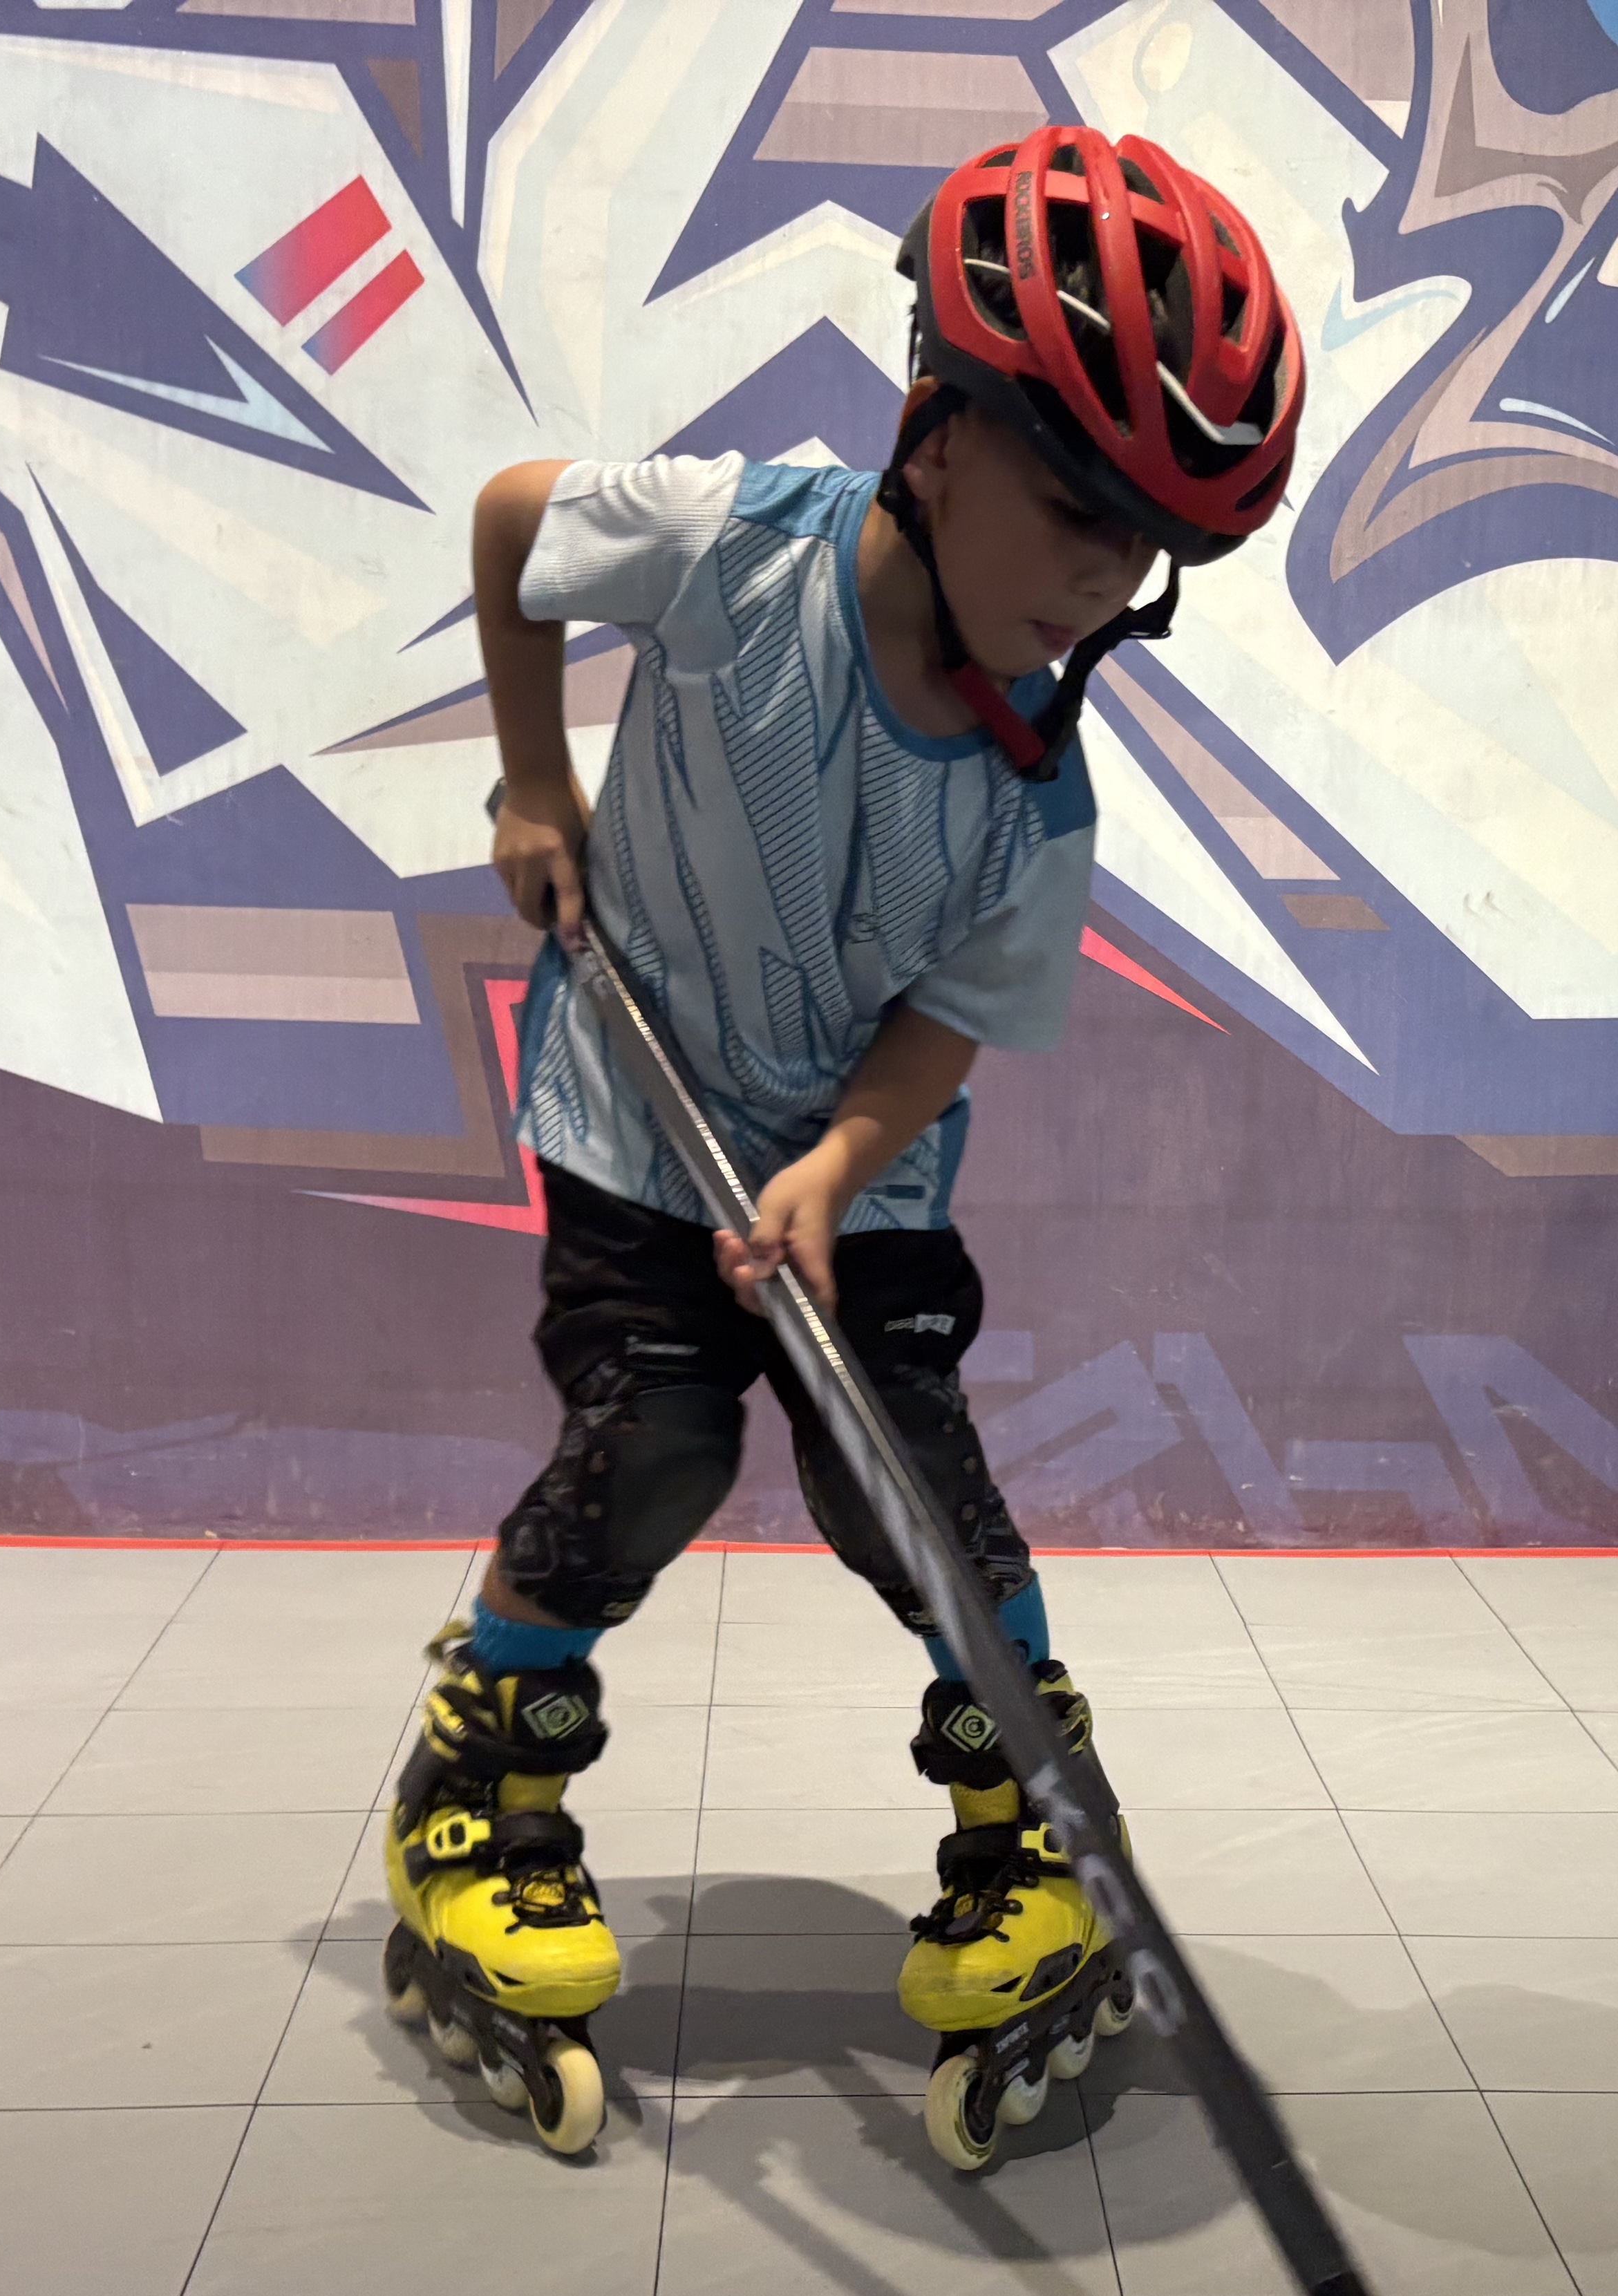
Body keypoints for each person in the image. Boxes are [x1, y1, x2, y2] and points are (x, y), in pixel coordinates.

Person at [381, 129, 1305, 2171]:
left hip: (861, 1183)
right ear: (938, 435)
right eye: (1080, 511)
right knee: (658, 1446)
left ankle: (1043, 1834)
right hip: (642, 1120)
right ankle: (473, 1779)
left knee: (911, 1492)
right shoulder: (735, 553)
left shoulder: (1033, 800)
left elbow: (947, 1028)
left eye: (1149, 551)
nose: (1104, 581)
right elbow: (518, 525)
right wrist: (536, 787)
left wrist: (841, 1159)